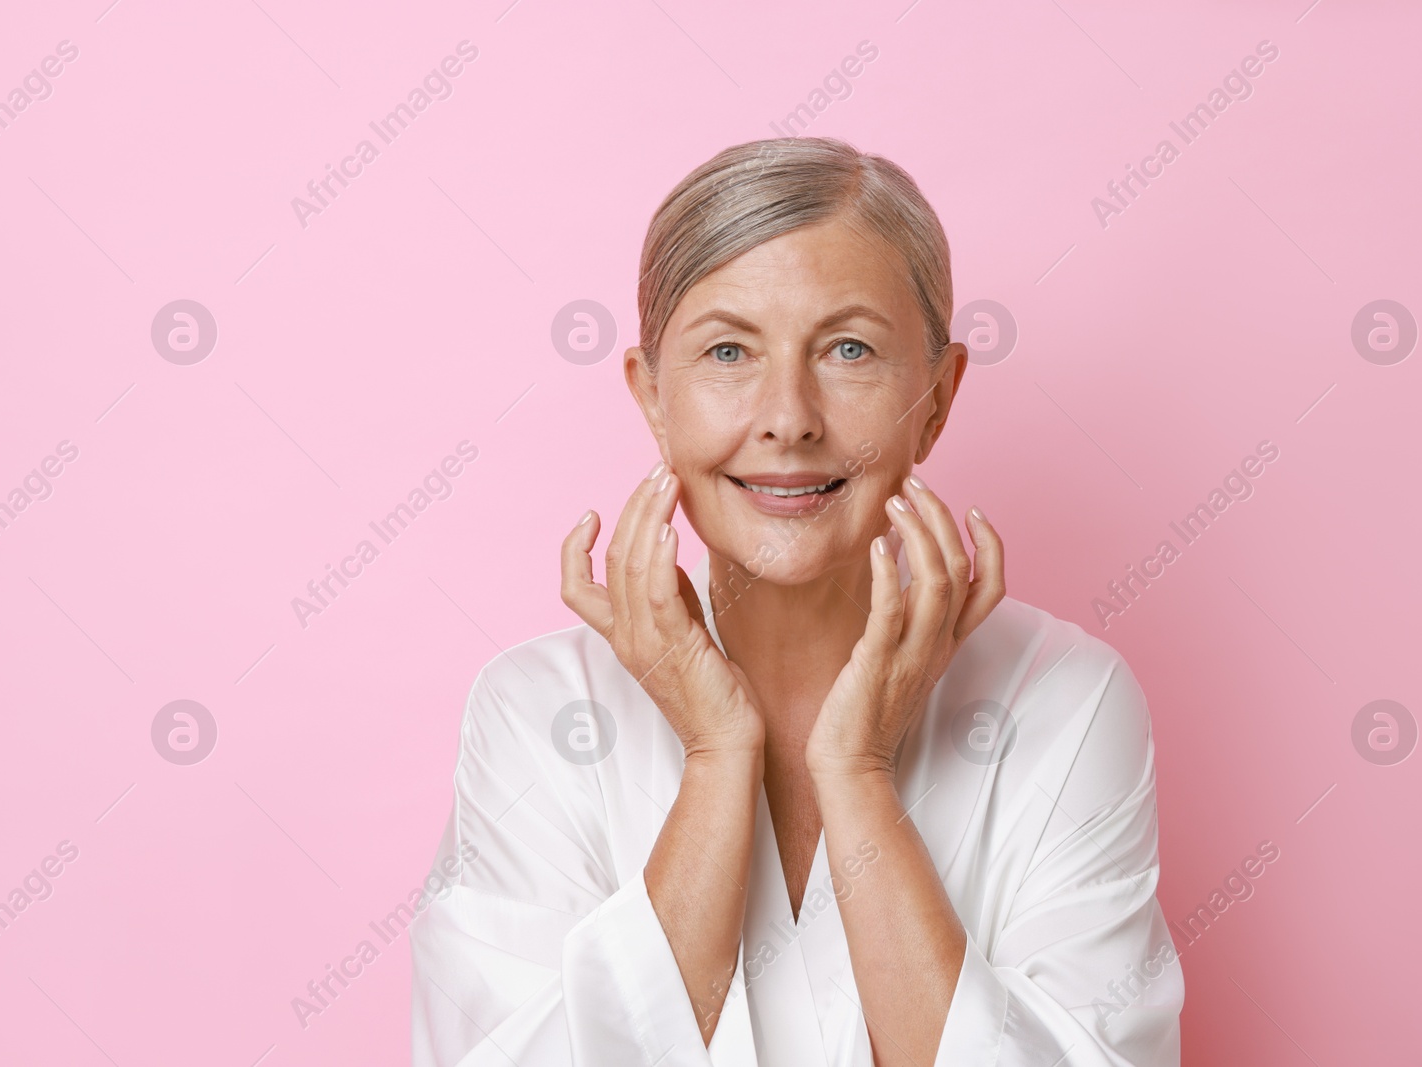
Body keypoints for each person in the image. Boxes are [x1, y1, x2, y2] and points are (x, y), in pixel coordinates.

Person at [410, 136, 1183, 1066]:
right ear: (653, 398)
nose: (788, 415)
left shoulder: (1064, 698)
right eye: (728, 350)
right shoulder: (539, 711)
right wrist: (716, 755)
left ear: (936, 400)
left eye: (848, 349)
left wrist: (856, 773)